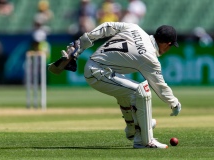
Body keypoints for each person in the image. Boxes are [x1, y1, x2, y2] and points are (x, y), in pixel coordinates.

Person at [48, 22, 181, 149]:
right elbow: (160, 86)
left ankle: (133, 129)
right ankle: (145, 141)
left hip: (98, 67)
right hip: (97, 73)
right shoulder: (150, 57)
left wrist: (84, 41)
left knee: (128, 91)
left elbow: (107, 27)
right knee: (143, 90)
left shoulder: (135, 28)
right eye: (170, 46)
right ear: (166, 44)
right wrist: (174, 103)